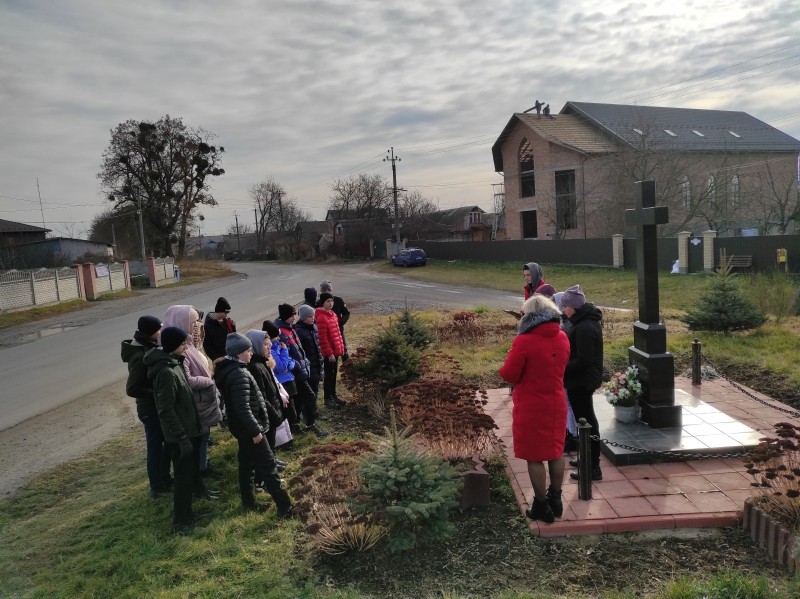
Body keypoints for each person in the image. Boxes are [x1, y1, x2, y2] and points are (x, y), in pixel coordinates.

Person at [499, 294, 570, 523]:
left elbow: (509, 374)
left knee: (534, 456)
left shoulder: (524, 341)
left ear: (529, 316)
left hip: (532, 405)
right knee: (556, 452)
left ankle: (541, 506)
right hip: (556, 402)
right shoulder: (562, 337)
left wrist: (509, 357)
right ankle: (556, 500)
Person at [213, 332, 293, 517]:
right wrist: (256, 431)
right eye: (248, 350)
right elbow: (242, 408)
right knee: (268, 466)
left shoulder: (231, 369)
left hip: (242, 428)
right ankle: (285, 507)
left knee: (246, 465)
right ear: (239, 353)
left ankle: (249, 503)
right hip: (250, 429)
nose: (251, 353)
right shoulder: (238, 374)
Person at [144, 327, 203, 534]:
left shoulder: (174, 364)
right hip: (180, 435)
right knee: (182, 478)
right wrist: (181, 436)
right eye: (182, 344)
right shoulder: (167, 373)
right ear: (172, 346)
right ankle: (181, 521)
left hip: (188, 431)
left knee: (188, 476)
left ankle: (188, 513)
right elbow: (166, 409)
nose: (186, 347)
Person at [163, 305, 223, 478]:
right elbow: (187, 379)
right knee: (199, 438)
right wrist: (209, 380)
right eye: (193, 321)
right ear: (182, 322)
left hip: (202, 400)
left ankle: (203, 466)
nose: (197, 325)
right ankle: (200, 470)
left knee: (204, 437)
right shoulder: (179, 349)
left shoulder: (190, 344)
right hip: (196, 402)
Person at [121, 315, 171, 498]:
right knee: (155, 448)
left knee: (165, 444)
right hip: (150, 410)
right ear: (150, 332)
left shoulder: (149, 346)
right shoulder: (138, 355)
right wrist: (157, 393)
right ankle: (156, 487)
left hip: (157, 406)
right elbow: (132, 388)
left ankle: (165, 479)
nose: (160, 333)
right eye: (158, 330)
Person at [560, 285, 605, 481]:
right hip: (578, 380)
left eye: (565, 306)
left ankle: (593, 467)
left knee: (587, 422)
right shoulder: (581, 322)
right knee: (583, 421)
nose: (563, 309)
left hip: (582, 381)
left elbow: (584, 360)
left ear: (574, 307)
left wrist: (561, 367)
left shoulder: (585, 327)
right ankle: (587, 458)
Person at [275, 304, 326, 436]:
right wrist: (297, 365)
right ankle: (310, 424)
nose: (294, 318)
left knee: (299, 400)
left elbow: (299, 350)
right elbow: (285, 354)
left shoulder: (291, 329)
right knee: (309, 396)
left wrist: (305, 363)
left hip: (301, 369)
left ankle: (297, 424)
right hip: (294, 372)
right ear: (285, 316)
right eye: (292, 315)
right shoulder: (282, 333)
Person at [243, 329, 289, 470]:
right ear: (256, 346)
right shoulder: (254, 367)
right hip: (266, 410)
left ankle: (273, 459)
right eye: (265, 345)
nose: (269, 348)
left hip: (273, 406)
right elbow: (261, 395)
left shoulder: (263, 362)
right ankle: (269, 464)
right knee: (267, 439)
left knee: (272, 438)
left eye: (269, 345)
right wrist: (273, 412)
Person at [263, 320, 302, 432]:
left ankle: (295, 425)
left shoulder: (277, 346)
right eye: (276, 336)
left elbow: (289, 362)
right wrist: (285, 351)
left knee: (295, 405)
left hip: (289, 378)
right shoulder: (273, 351)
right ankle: (291, 428)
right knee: (289, 409)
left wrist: (289, 364)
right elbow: (281, 368)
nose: (278, 338)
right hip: (283, 382)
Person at [316, 292, 346, 408]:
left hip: (336, 350)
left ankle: (333, 395)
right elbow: (323, 338)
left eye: (331, 301)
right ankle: (327, 398)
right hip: (329, 353)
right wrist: (329, 353)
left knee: (334, 374)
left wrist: (341, 348)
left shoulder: (333, 315)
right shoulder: (321, 317)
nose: (330, 303)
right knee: (328, 375)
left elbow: (338, 334)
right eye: (328, 301)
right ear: (323, 303)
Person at [295, 304, 325, 406]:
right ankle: (309, 412)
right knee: (309, 394)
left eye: (313, 316)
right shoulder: (299, 331)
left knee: (315, 390)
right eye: (310, 316)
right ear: (303, 317)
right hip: (308, 366)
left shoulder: (314, 327)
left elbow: (318, 345)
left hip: (317, 364)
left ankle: (314, 410)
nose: (313, 318)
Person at [320, 280, 350, 361]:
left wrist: (340, 322)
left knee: (344, 351)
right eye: (325, 290)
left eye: (329, 290)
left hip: (338, 330)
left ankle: (346, 365)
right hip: (327, 334)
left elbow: (346, 313)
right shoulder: (319, 303)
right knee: (330, 354)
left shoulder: (338, 300)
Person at [203, 297, 236, 361]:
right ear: (219, 311)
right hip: (220, 359)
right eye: (225, 313)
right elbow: (207, 345)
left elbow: (233, 337)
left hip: (230, 355)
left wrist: (232, 326)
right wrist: (216, 358)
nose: (226, 315)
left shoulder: (226, 322)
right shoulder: (208, 326)